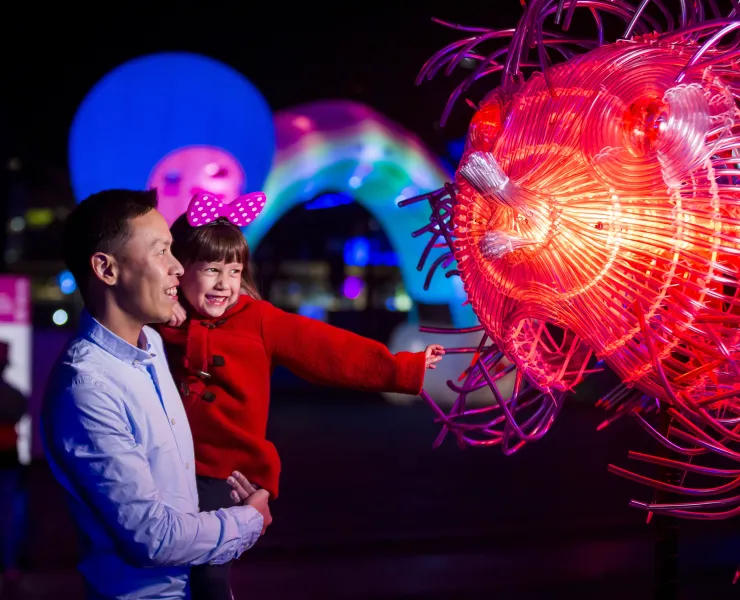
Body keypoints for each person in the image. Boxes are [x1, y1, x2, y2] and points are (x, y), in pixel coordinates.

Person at [157, 200, 445, 600]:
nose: (224, 283)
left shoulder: (258, 319)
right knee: (164, 572)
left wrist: (401, 369)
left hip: (223, 474)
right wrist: (164, 309)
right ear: (181, 269)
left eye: (234, 271)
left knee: (208, 575)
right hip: (167, 469)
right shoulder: (161, 320)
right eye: (211, 270)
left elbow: (328, 349)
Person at [41, 189, 273, 600]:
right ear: (106, 269)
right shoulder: (87, 389)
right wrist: (247, 520)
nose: (179, 268)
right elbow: (153, 537)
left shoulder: (150, 343)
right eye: (161, 251)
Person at [0, 341, 28, 586]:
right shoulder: (14, 394)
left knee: (8, 514)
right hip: (9, 459)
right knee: (8, 514)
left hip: (7, 460)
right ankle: (9, 564)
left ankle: (9, 563)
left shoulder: (13, 394)